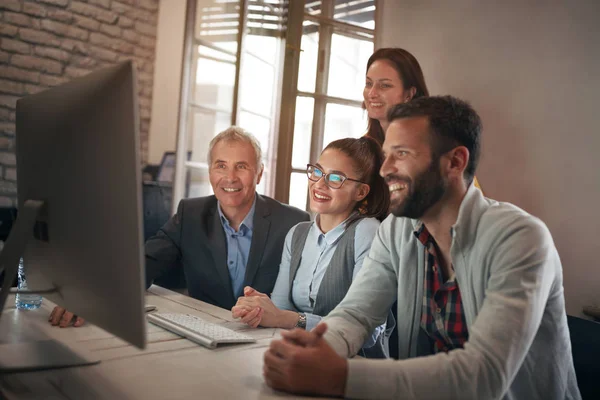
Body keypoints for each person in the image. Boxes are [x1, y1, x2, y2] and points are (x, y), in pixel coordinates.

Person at [262, 96, 581, 399]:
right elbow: (357, 315)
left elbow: (484, 376)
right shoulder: (396, 230)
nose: (385, 169)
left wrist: (341, 377)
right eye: (386, 154)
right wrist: (312, 352)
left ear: (455, 162)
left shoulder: (521, 238)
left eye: (402, 153)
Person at [48, 126, 310, 327]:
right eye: (221, 166)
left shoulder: (292, 223)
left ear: (259, 173)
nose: (230, 177)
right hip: (205, 335)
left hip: (268, 343)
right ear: (209, 171)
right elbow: (145, 261)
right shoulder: (191, 214)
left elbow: (309, 301)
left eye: (241, 167)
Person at [231, 137, 393, 357]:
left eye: (335, 178)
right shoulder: (298, 233)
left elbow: (368, 332)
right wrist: (261, 310)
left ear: (361, 192)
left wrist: (289, 319)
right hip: (300, 356)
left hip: (353, 366)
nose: (319, 184)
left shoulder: (368, 231)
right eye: (317, 172)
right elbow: (280, 310)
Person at [364, 47, 481, 190]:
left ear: (409, 94)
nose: (372, 93)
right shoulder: (363, 149)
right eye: (368, 83)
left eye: (385, 85)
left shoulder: (436, 146)